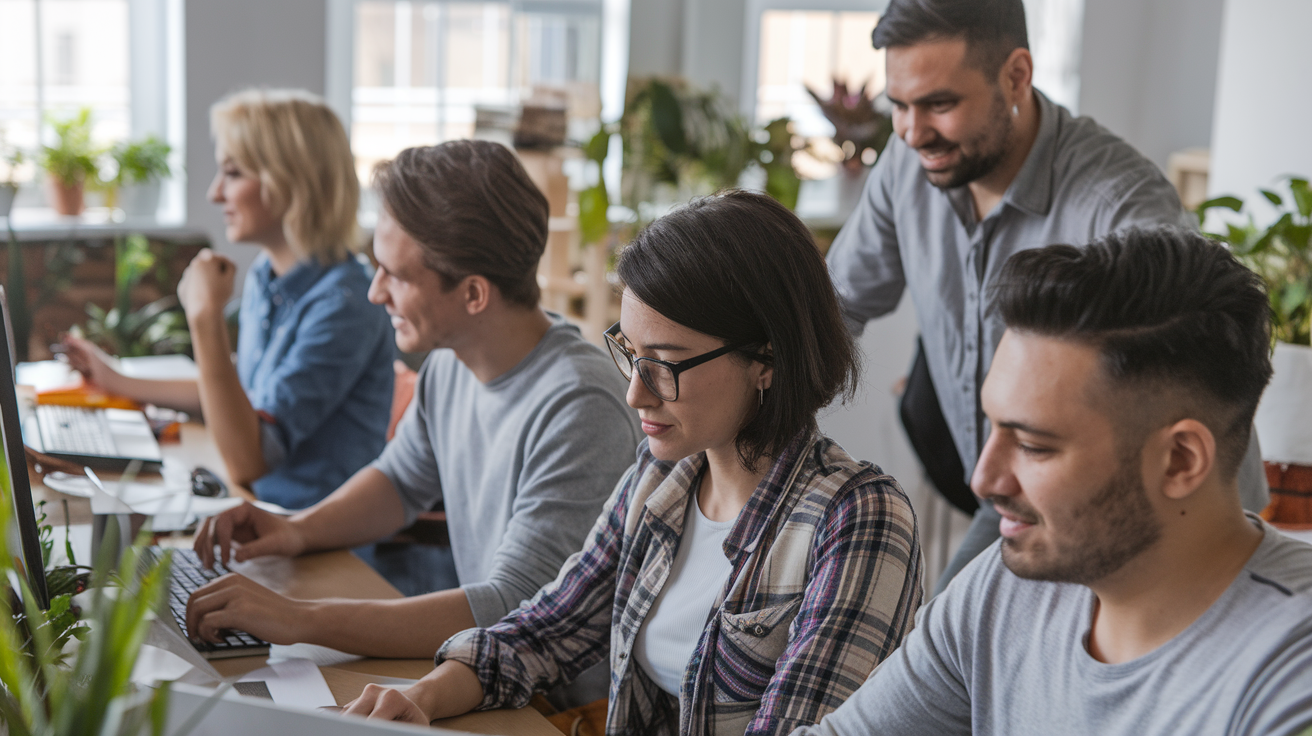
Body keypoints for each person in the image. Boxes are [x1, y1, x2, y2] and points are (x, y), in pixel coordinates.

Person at [344, 190, 924, 735]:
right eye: (630, 353)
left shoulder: (857, 520)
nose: (635, 394)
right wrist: (421, 697)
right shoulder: (663, 477)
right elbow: (547, 630)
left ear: (766, 359)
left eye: (664, 365)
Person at [793, 228, 1312, 736]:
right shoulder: (1005, 586)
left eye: (1034, 446)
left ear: (1179, 461)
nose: (984, 480)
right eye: (993, 427)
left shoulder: (1289, 671)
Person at [825, 0, 1269, 592]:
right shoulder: (907, 168)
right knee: (935, 633)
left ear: (1016, 76)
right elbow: (833, 310)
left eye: (940, 104)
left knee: (948, 632)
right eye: (899, 105)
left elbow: (1196, 382)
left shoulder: (1121, 205)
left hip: (1156, 520)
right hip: (1017, 492)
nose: (911, 131)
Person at [185, 140, 640, 705]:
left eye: (394, 275)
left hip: (550, 712)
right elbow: (399, 482)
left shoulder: (581, 404)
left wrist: (299, 619)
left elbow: (512, 607)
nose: (374, 291)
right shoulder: (450, 362)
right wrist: (296, 529)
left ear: (473, 293)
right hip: (483, 683)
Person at [63, 89, 394, 511]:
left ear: (291, 182)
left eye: (233, 173)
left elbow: (249, 462)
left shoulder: (346, 304)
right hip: (255, 511)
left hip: (308, 534)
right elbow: (238, 395)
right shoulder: (266, 272)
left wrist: (205, 317)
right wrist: (117, 380)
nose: (215, 193)